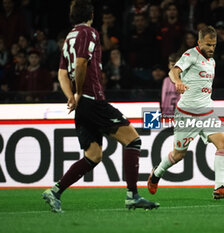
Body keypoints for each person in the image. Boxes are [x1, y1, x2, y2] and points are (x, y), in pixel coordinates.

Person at [42, 0, 159, 213]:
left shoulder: (69, 37)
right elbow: (80, 63)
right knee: (133, 140)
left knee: (93, 156)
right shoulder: (90, 32)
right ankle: (132, 195)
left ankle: (55, 191)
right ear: (91, 14)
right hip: (92, 99)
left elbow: (61, 73)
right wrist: (78, 92)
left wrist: (71, 96)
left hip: (82, 105)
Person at [147, 26, 224, 199]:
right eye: (208, 44)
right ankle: (156, 173)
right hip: (187, 114)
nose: (211, 48)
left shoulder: (212, 61)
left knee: (223, 143)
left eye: (214, 45)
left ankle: (219, 188)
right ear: (199, 42)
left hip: (207, 112)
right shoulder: (190, 55)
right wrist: (177, 81)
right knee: (179, 154)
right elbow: (173, 71)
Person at [161, 53, 180, 117]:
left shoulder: (186, 80)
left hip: (181, 115)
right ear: (169, 66)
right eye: (172, 65)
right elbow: (162, 99)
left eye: (177, 65)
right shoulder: (165, 80)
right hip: (167, 114)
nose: (174, 68)